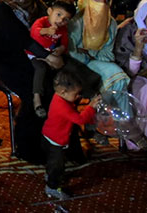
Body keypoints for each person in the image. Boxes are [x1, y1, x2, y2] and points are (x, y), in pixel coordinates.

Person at [0, 0, 53, 163]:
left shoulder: (36, 4)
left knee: (58, 85)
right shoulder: (2, 9)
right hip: (9, 59)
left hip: (36, 57)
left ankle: (56, 141)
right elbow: (19, 39)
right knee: (33, 92)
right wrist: (47, 56)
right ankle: (28, 147)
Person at [41, 70, 100, 200]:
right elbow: (80, 120)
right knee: (58, 165)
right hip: (56, 141)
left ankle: (50, 174)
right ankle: (52, 187)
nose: (78, 96)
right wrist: (90, 107)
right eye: (76, 94)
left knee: (52, 162)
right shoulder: (62, 106)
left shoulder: (59, 97)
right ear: (63, 92)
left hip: (48, 135)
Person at [68, 0, 130, 102]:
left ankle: (115, 116)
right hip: (76, 63)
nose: (102, 3)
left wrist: (89, 52)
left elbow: (108, 54)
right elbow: (71, 51)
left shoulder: (110, 23)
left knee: (119, 79)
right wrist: (90, 56)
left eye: (107, 0)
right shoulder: (76, 21)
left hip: (97, 61)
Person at [114, 0, 147, 146]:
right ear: (141, 17)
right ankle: (135, 139)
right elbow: (128, 73)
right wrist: (138, 47)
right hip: (131, 80)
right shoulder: (127, 34)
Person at [28, 0, 76, 118]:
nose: (60, 20)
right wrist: (47, 31)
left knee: (66, 68)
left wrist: (61, 49)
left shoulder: (62, 29)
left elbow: (64, 42)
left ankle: (63, 97)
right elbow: (34, 33)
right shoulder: (42, 22)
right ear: (50, 11)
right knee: (41, 69)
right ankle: (37, 98)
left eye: (65, 19)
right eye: (58, 15)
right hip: (35, 55)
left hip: (51, 55)